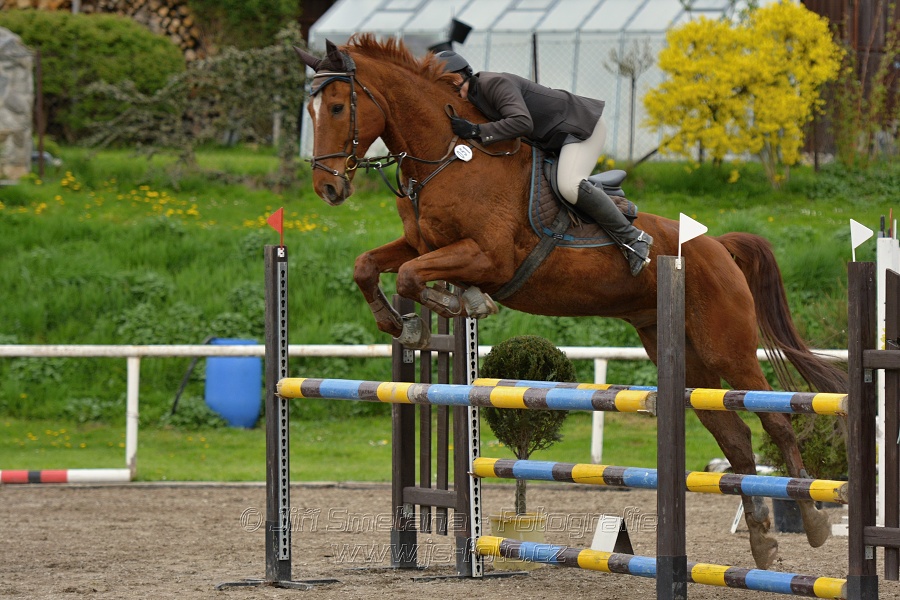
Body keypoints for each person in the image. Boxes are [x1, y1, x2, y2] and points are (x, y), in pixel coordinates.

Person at [436, 50, 652, 276]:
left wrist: (476, 130)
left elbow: (521, 122)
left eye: (449, 82)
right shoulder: (474, 98)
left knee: (569, 186)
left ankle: (633, 239)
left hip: (581, 128)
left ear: (462, 76)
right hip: (553, 139)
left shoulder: (493, 83)